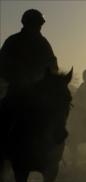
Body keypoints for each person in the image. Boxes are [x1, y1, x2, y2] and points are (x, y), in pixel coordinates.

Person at [0, 9, 66, 143]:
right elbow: (2, 66)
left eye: (39, 25)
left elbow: (53, 66)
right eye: (36, 24)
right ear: (27, 24)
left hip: (39, 93)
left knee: (59, 113)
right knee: (4, 117)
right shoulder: (13, 41)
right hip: (17, 92)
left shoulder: (43, 43)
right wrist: (17, 79)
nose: (38, 27)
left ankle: (56, 150)